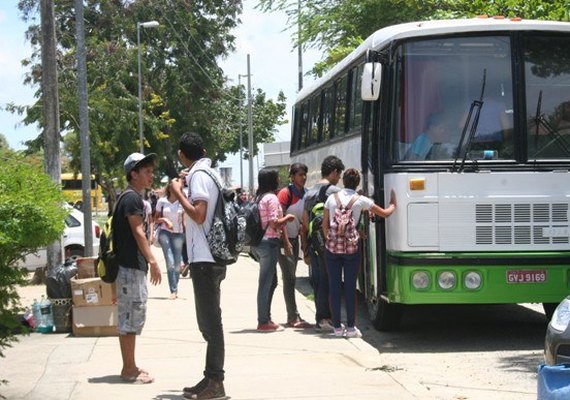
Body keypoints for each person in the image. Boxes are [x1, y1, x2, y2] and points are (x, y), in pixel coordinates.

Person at [171, 132, 228, 400]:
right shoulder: (209, 173)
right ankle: (209, 378)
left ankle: (216, 382)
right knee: (208, 322)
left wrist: (179, 193)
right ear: (203, 150)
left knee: (210, 323)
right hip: (208, 257)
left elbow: (199, 214)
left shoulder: (198, 177)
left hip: (206, 259)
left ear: (183, 155)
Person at [322, 168, 396, 338]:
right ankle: (350, 328)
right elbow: (384, 214)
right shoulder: (361, 200)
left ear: (343, 181)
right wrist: (393, 204)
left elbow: (325, 225)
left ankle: (336, 328)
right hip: (351, 250)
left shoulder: (331, 199)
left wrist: (331, 241)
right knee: (349, 287)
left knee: (334, 287)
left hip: (332, 250)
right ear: (357, 184)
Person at [114, 152, 162, 384]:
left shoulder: (131, 197)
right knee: (130, 318)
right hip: (129, 268)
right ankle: (129, 369)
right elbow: (138, 231)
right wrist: (153, 261)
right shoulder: (131, 199)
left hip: (132, 268)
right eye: (146, 171)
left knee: (133, 316)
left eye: (151, 171)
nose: (151, 175)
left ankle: (130, 365)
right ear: (134, 174)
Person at [302, 155, 345, 332]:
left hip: (315, 242)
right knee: (330, 280)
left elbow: (304, 221)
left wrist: (306, 246)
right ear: (334, 171)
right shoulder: (334, 191)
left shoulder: (310, 191)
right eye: (339, 174)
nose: (339, 178)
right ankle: (328, 318)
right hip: (330, 241)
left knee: (319, 281)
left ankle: (321, 318)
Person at [252, 169, 296, 332]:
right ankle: (263, 320)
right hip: (268, 243)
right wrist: (288, 218)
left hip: (260, 243)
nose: (279, 179)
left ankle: (266, 317)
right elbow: (273, 223)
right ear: (272, 180)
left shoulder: (260, 197)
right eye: (277, 177)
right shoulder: (271, 198)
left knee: (271, 281)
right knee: (266, 283)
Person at [277, 163, 311, 329]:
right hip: (283, 241)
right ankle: (292, 316)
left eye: (304, 174)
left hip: (294, 240)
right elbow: (279, 217)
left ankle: (293, 314)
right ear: (292, 176)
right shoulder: (285, 194)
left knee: (291, 278)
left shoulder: (306, 194)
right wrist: (286, 241)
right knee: (289, 279)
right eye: (299, 175)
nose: (303, 178)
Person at [153, 181, 185, 299]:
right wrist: (165, 221)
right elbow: (155, 218)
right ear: (170, 188)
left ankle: (175, 288)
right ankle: (173, 290)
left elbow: (185, 220)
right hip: (164, 232)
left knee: (177, 264)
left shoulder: (182, 202)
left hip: (178, 234)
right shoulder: (162, 201)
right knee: (170, 261)